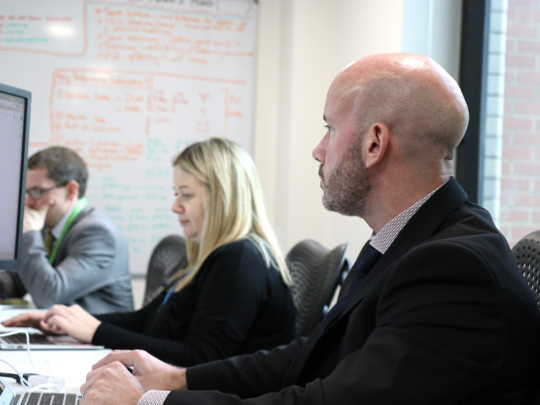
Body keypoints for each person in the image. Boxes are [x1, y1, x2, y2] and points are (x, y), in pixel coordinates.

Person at [77, 52, 540, 405]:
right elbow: (309, 355)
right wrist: (176, 378)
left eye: (329, 128)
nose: (318, 151)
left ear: (375, 142)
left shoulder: (454, 266)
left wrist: (151, 402)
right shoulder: (409, 239)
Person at [3, 137, 296, 367]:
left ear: (223, 196)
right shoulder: (213, 256)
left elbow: (200, 359)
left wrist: (95, 331)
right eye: (175, 193)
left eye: (187, 195)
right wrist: (68, 321)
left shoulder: (240, 259)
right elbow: (147, 320)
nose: (175, 206)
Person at [0, 146, 133, 313]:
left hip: (99, 337)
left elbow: (48, 296)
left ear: (71, 191)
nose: (27, 202)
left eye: (36, 191)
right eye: (25, 192)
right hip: (61, 333)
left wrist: (29, 234)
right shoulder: (48, 223)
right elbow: (19, 280)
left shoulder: (98, 233)